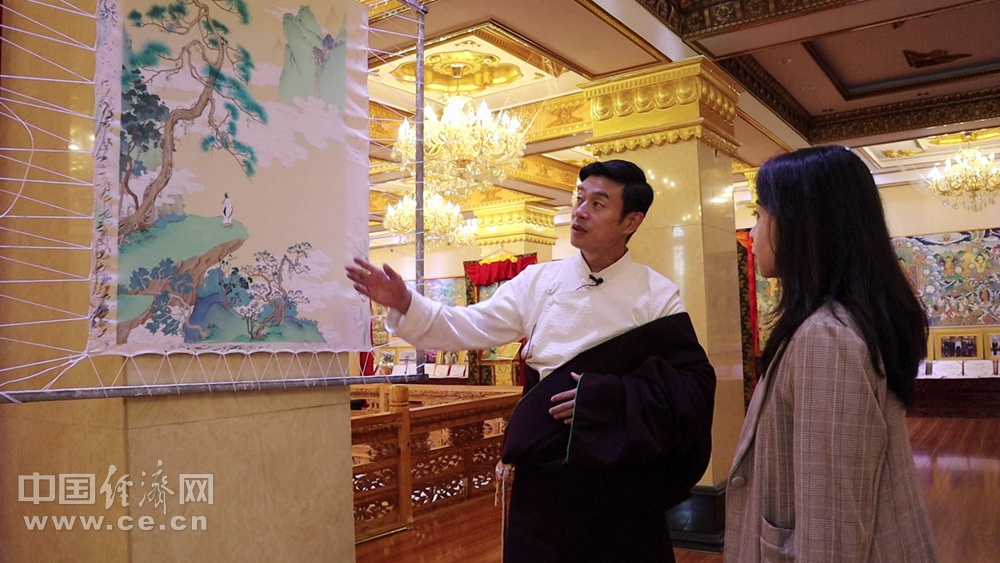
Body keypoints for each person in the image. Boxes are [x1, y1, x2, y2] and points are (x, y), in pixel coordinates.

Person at [347, 160, 716, 562]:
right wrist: (406, 303)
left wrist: (605, 399)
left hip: (621, 477)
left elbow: (691, 388)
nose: (580, 211)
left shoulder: (657, 296)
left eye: (597, 204)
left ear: (631, 221)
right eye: (579, 199)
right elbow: (469, 325)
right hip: (544, 478)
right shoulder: (539, 281)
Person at [725, 146, 938, 562]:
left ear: (802, 225)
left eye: (759, 214)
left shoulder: (825, 338)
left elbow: (832, 532)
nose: (752, 233)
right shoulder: (837, 322)